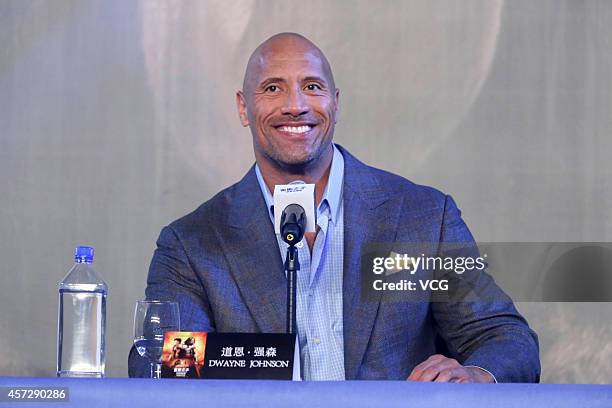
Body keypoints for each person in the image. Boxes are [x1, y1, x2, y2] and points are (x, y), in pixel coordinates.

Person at [129, 33, 540, 382]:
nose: (296, 105)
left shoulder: (422, 217)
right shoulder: (192, 243)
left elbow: (504, 337)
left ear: (335, 103)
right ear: (243, 108)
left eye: (312, 86)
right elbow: (162, 362)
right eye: (273, 88)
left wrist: (476, 374)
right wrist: (260, 360)